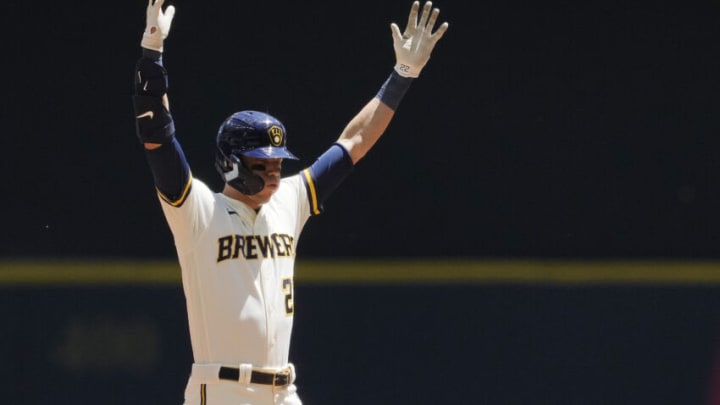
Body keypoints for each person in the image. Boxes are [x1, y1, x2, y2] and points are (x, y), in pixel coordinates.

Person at [131, 0, 448, 404]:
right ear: (232, 164)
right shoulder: (198, 213)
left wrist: (401, 77)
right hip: (224, 391)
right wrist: (152, 55)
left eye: (278, 162)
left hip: (284, 391)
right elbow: (158, 137)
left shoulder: (289, 202)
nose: (275, 171)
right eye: (263, 163)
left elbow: (353, 143)